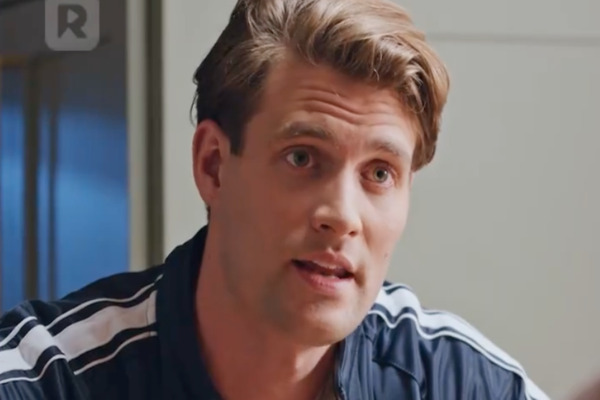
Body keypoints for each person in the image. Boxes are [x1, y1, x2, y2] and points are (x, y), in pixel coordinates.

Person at [0, 0, 549, 399]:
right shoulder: (45, 378)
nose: (342, 216)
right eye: (302, 157)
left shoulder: (461, 381)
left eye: (380, 173)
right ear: (213, 165)